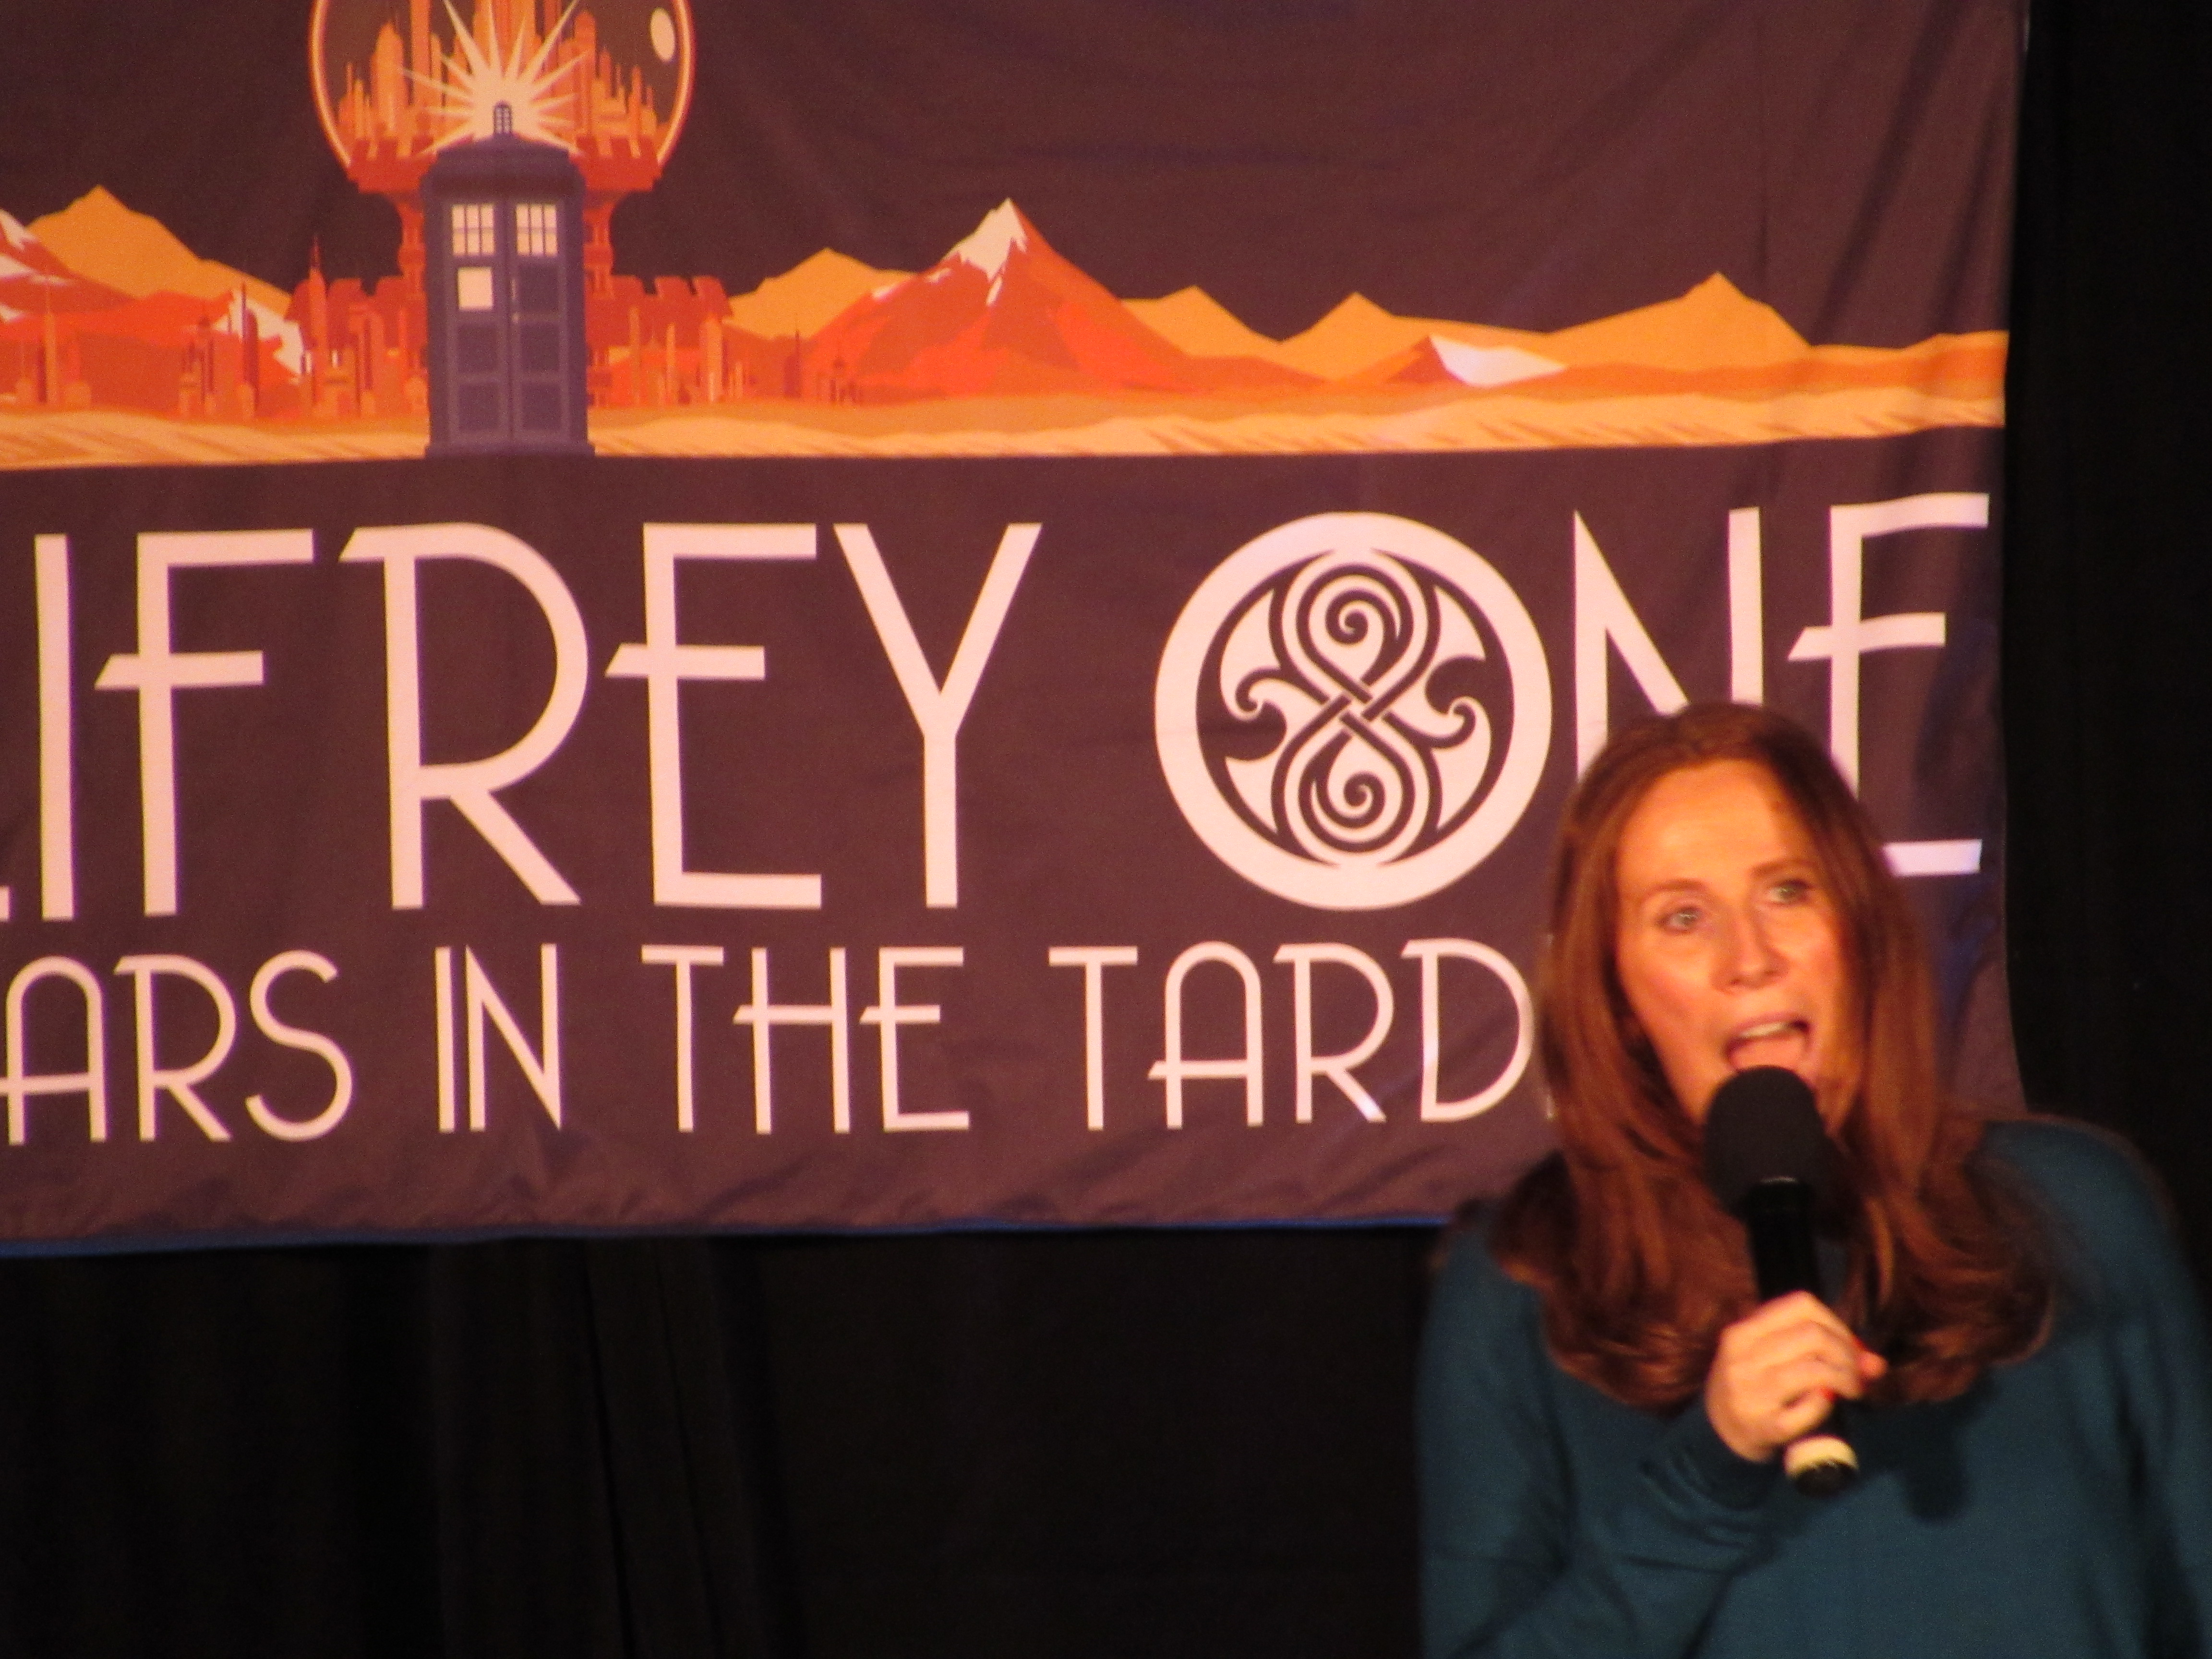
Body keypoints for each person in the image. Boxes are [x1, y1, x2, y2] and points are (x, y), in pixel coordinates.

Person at [1419, 702, 2212, 1659]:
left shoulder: (2077, 1212)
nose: (1749, 960)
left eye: (1788, 892)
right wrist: (1709, 1473)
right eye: (1683, 918)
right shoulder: (1526, 1284)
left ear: (1860, 927)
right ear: (1619, 994)